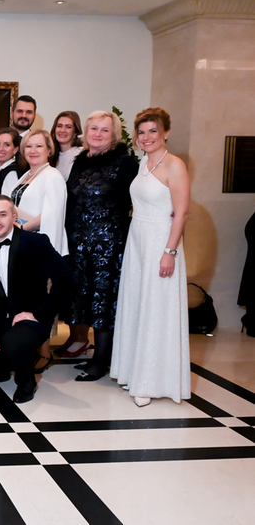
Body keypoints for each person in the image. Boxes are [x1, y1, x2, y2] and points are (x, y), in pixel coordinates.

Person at [0, 195, 75, 403]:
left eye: (3, 215)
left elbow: (66, 280)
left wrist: (39, 314)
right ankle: (2, 363)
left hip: (31, 319)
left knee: (14, 341)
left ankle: (26, 382)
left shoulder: (36, 242)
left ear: (14, 217)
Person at [111, 108, 191, 406]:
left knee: (157, 307)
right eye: (141, 132)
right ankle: (133, 372)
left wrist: (170, 251)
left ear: (166, 132)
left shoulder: (175, 165)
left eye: (153, 131)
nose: (146, 137)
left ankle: (151, 381)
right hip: (138, 240)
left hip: (161, 241)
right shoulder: (143, 163)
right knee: (137, 304)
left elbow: (181, 213)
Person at [62, 111, 139, 376]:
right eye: (94, 128)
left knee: (103, 302)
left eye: (105, 130)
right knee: (86, 300)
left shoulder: (124, 164)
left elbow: (136, 202)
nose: (98, 134)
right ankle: (96, 355)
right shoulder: (80, 161)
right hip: (80, 245)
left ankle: (101, 363)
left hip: (109, 246)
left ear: (114, 135)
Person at [11, 129, 68, 373]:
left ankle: (44, 353)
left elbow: (52, 214)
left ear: (49, 149)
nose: (33, 150)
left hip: (40, 247)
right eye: (29, 146)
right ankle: (31, 348)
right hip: (23, 245)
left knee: (42, 300)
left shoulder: (52, 175)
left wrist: (22, 229)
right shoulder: (27, 175)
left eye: (39, 146)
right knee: (28, 300)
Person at [51, 110, 83, 180]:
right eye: (59, 126)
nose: (62, 130)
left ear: (75, 132)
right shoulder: (50, 155)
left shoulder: (81, 154)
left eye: (68, 127)